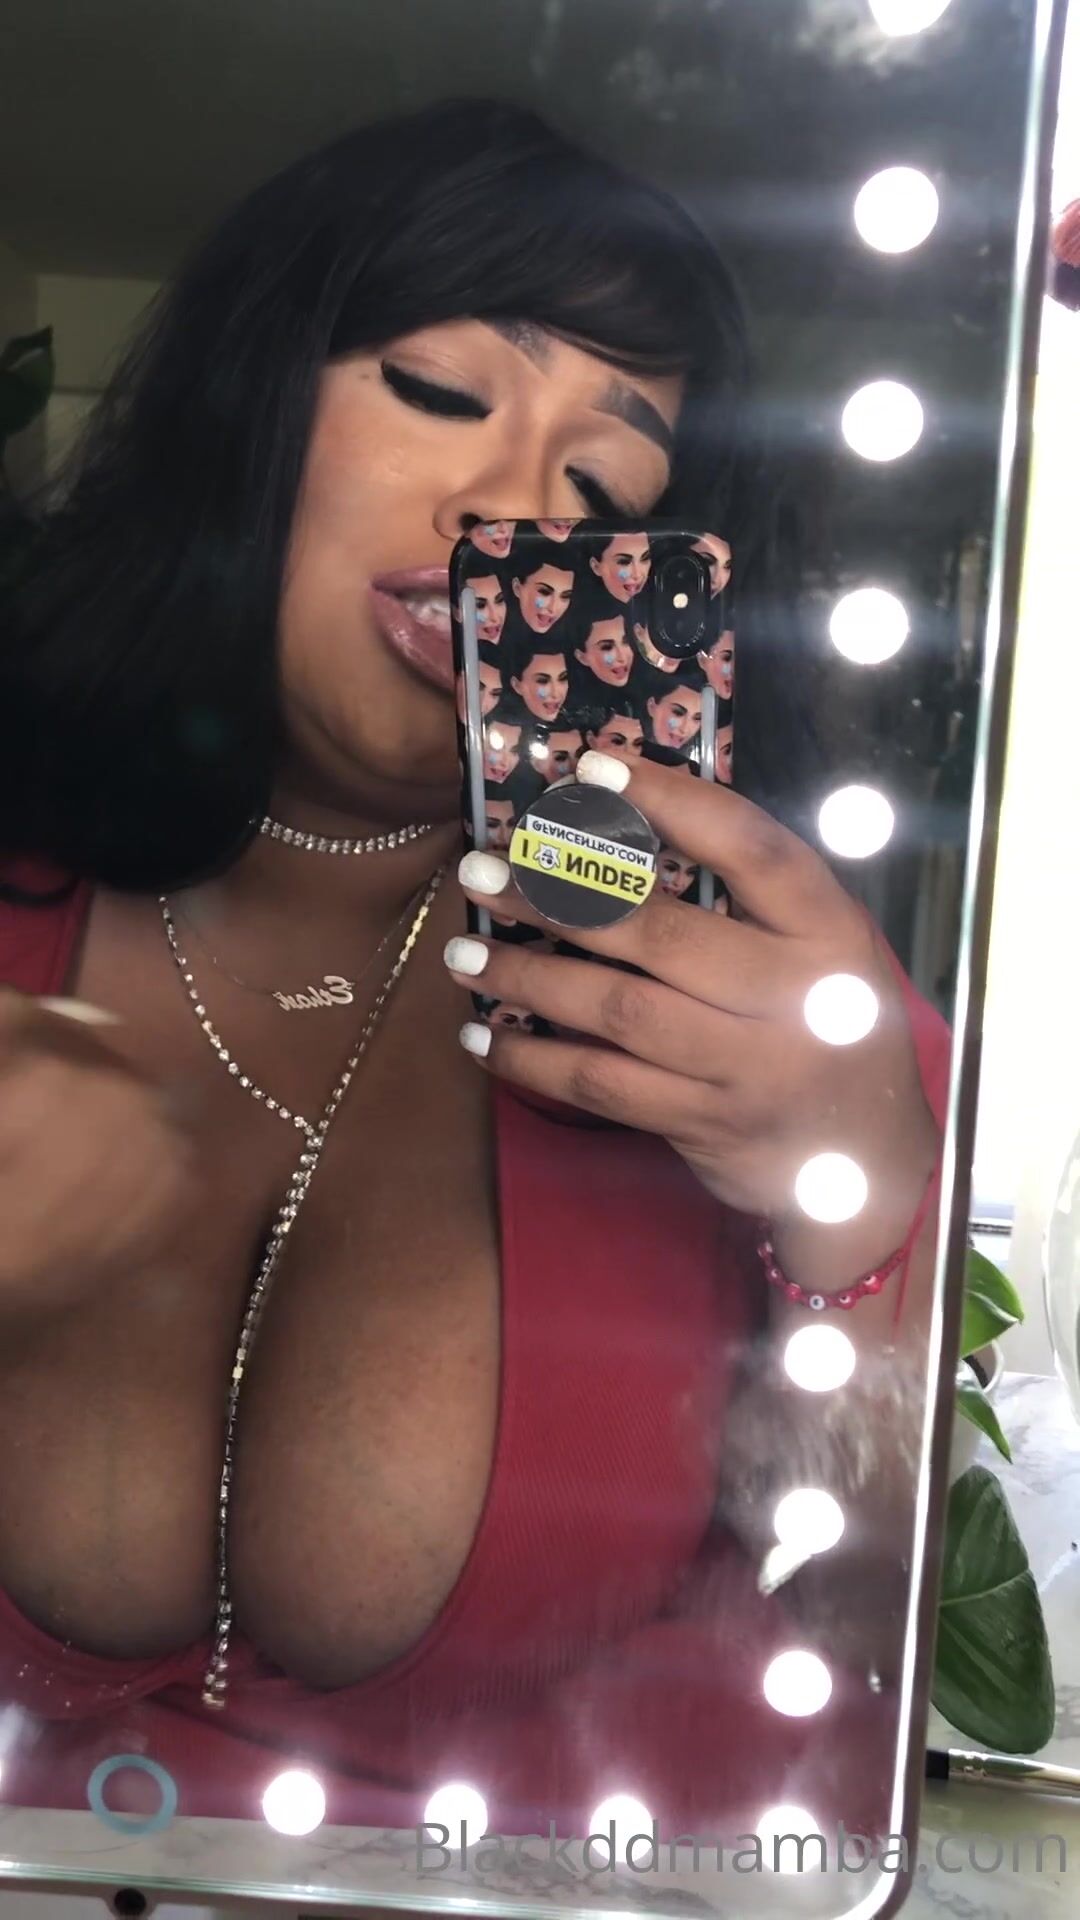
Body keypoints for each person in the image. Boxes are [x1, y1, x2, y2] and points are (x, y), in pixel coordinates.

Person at [0, 98, 946, 1842]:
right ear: (245, 409)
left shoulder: (780, 1020)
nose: (514, 513)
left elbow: (886, 1668)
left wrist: (866, 1228)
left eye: (604, 487)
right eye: (443, 391)